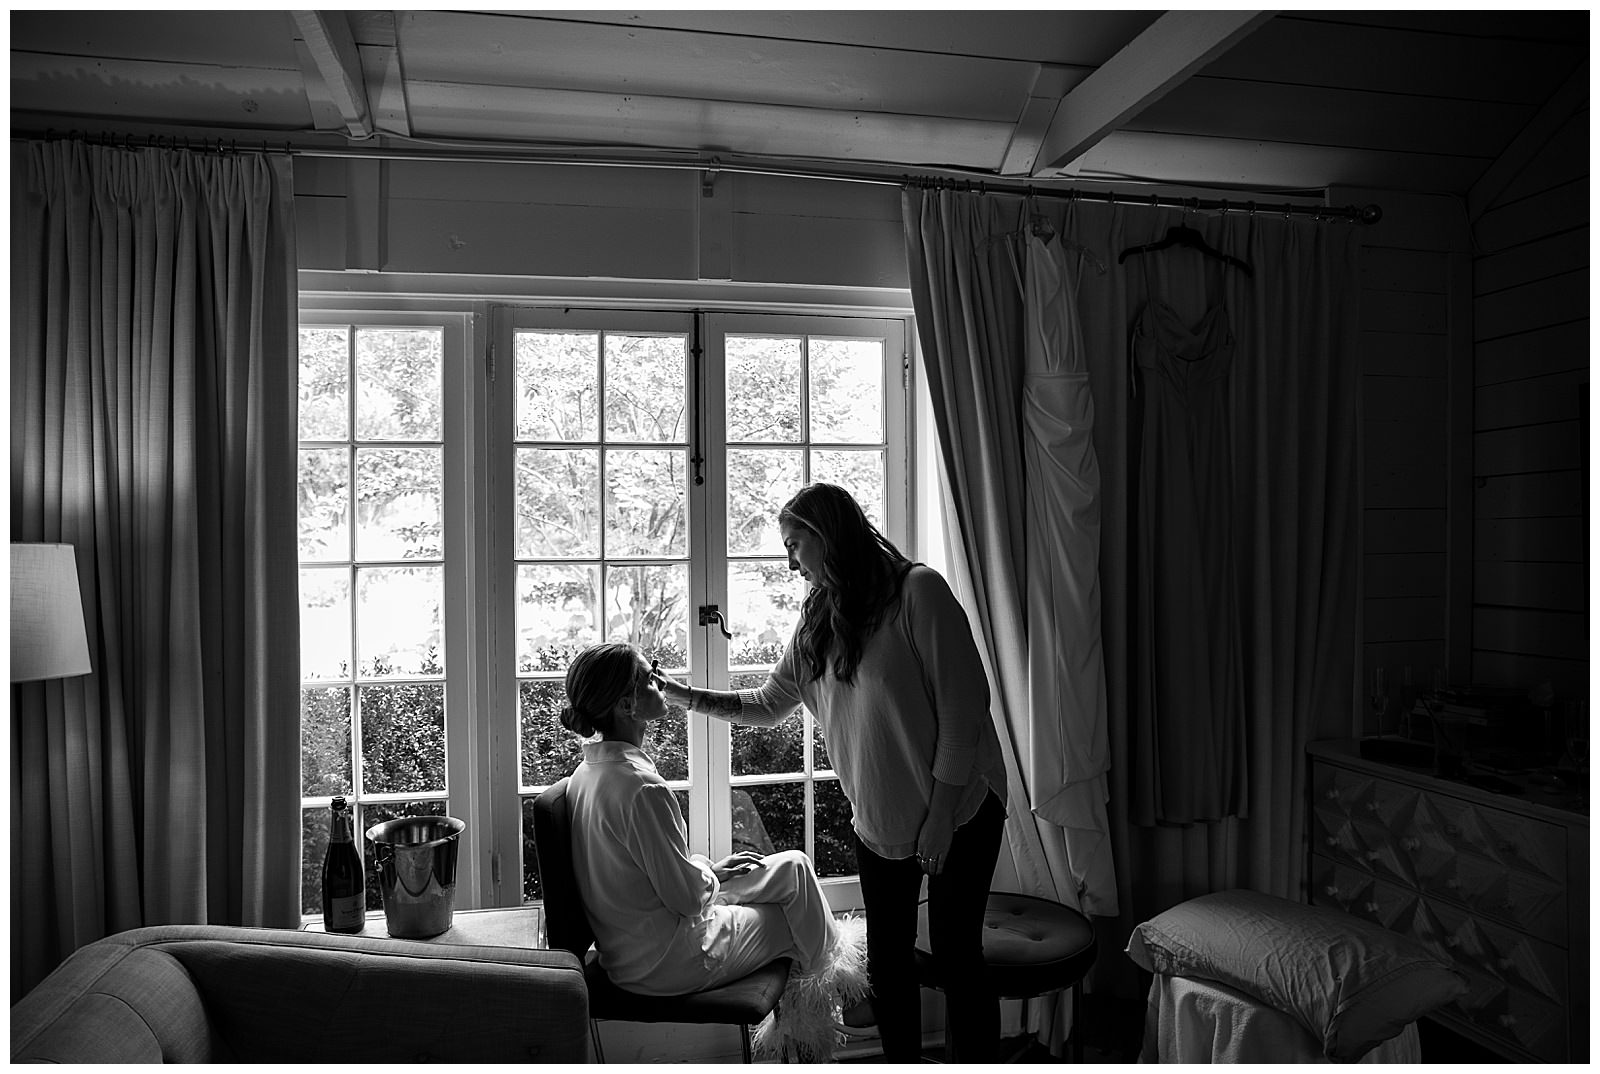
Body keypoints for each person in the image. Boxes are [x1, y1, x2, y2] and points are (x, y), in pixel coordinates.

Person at [653, 483, 1008, 1062]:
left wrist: (941, 816)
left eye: (795, 546)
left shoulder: (918, 592)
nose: (791, 563)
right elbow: (767, 706)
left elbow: (964, 712)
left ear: (827, 535)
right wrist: (678, 694)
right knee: (889, 962)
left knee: (954, 954)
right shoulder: (818, 614)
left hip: (959, 807)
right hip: (882, 819)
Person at [559, 641, 866, 1060]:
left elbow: (655, 876)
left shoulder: (588, 774)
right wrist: (710, 876)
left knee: (795, 867)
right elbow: (685, 898)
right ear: (628, 704)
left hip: (635, 947)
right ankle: (822, 1030)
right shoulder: (639, 787)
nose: (661, 684)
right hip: (668, 962)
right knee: (799, 920)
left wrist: (713, 871)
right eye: (650, 678)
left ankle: (823, 1018)